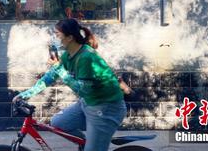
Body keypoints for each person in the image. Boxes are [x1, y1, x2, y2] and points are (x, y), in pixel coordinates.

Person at [13, 18, 126, 151]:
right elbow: (49, 77)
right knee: (59, 123)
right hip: (87, 104)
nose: (54, 38)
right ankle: (87, 144)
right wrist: (25, 95)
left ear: (70, 37)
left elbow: (83, 91)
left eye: (57, 34)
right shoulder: (68, 55)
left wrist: (60, 70)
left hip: (106, 108)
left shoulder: (87, 57)